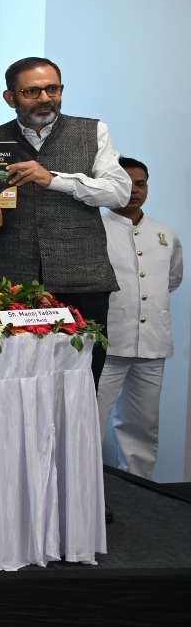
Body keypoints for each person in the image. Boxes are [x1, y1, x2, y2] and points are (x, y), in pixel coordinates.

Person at [0, 57, 130, 377]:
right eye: (32, 92)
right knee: (15, 379)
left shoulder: (92, 131)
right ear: (10, 98)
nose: (45, 98)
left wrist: (54, 179)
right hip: (13, 281)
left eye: (53, 89)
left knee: (82, 377)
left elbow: (119, 193)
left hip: (83, 281)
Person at [99, 157, 182, 478]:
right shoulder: (96, 229)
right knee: (92, 419)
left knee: (143, 424)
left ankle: (140, 488)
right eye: (126, 183)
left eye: (141, 183)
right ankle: (85, 492)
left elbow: (171, 279)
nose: (135, 191)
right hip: (108, 342)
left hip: (153, 344)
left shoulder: (164, 233)